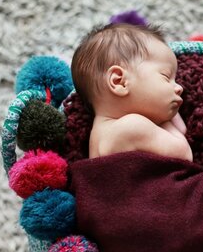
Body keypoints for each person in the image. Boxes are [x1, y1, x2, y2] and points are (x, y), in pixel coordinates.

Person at [71, 23, 193, 162]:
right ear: (119, 81)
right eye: (166, 76)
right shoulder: (132, 126)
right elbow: (184, 153)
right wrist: (166, 118)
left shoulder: (97, 136)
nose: (179, 88)